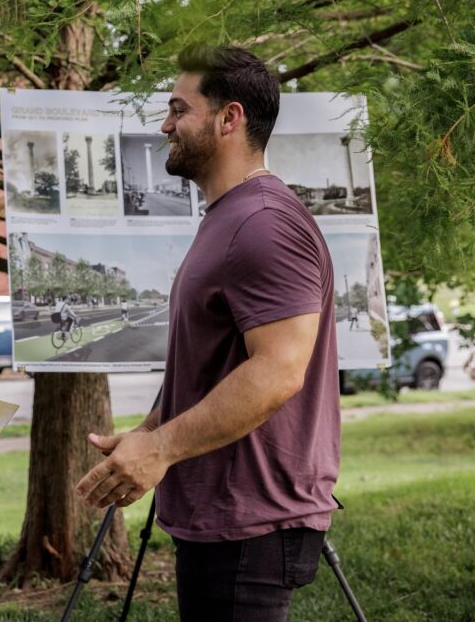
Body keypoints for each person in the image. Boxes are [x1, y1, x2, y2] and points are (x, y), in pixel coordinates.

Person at [76, 45, 340, 621]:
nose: (165, 124)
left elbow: (277, 371)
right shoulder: (230, 216)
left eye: (178, 109)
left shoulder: (264, 223)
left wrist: (163, 449)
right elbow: (210, 362)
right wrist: (148, 433)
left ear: (230, 118)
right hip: (224, 516)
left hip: (251, 522)